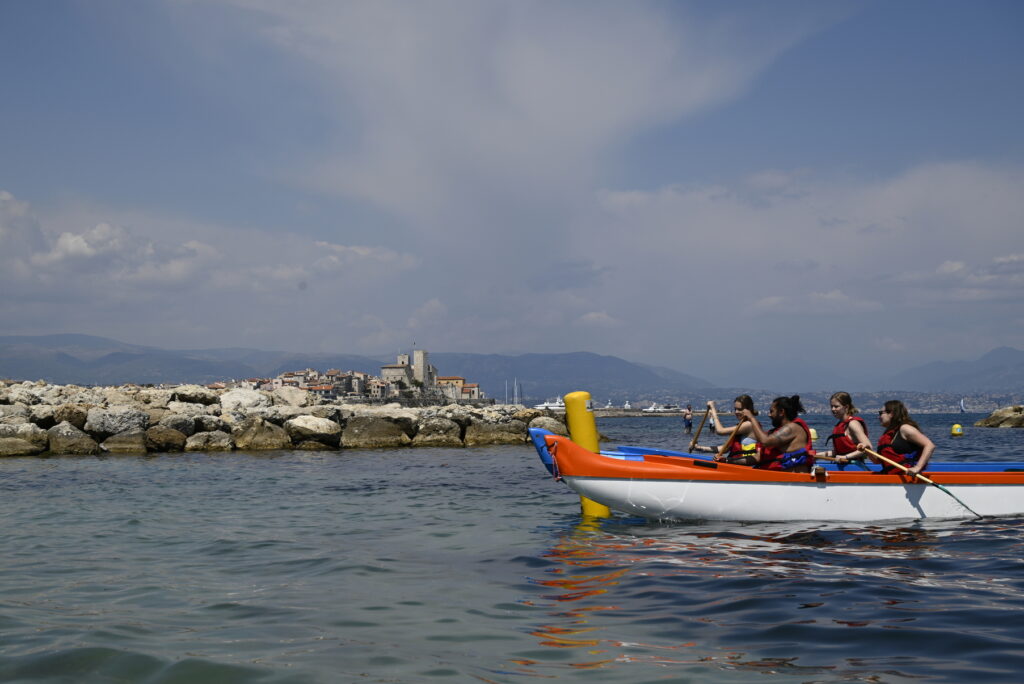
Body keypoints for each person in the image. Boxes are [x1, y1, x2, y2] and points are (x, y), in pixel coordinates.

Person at [739, 395, 815, 473]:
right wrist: (731, 461)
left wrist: (752, 418)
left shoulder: (792, 428)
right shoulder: (775, 431)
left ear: (781, 412)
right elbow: (758, 457)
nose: (769, 415)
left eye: (772, 411)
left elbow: (765, 441)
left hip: (792, 478)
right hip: (770, 475)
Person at [859, 400, 934, 475]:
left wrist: (917, 467)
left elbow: (929, 445)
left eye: (881, 413)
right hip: (892, 475)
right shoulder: (889, 434)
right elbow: (877, 461)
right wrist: (867, 449)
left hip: (908, 476)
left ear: (891, 414)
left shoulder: (905, 428)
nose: (879, 417)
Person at [693, 395, 761, 465]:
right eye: (735, 409)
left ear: (748, 409)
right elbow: (725, 448)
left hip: (746, 467)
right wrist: (700, 448)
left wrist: (713, 409)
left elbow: (720, 431)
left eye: (740, 409)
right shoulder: (741, 424)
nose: (736, 412)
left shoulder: (749, 424)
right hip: (735, 464)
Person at [818, 391, 869, 467]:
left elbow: (868, 447)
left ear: (846, 407)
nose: (833, 409)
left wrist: (846, 457)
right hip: (842, 465)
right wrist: (817, 455)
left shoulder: (853, 424)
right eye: (831, 406)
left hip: (855, 467)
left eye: (836, 406)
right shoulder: (840, 424)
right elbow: (839, 453)